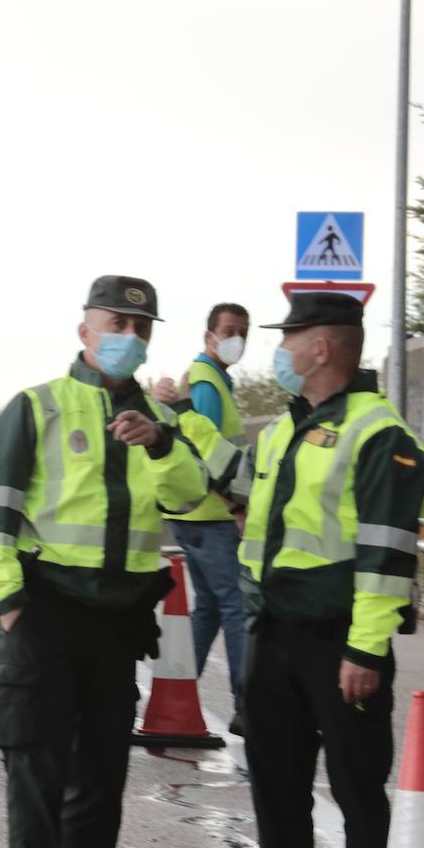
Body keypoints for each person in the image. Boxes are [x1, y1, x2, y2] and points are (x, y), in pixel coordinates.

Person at [0, 275, 211, 848]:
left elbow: (190, 495)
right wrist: (13, 603)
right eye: (116, 324)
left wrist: (159, 444)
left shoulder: (160, 420)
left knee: (100, 793)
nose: (129, 336)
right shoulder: (38, 406)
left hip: (117, 627)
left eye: (140, 328)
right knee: (36, 790)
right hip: (43, 617)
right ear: (85, 331)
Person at [240, 292, 424, 848]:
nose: (279, 350)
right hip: (273, 636)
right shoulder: (284, 428)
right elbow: (237, 491)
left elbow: (386, 554)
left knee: (357, 792)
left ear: (319, 349)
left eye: (287, 339)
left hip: (340, 644)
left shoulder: (379, 433)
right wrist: (167, 441)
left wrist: (366, 651)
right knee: (275, 795)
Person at [159, 302, 250, 734]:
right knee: (236, 606)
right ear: (208, 335)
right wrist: (236, 507)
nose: (237, 339)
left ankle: (176, 690)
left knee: (211, 607)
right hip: (212, 515)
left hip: (194, 514)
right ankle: (246, 705)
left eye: (243, 332)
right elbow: (205, 450)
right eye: (229, 330)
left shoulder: (211, 379)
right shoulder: (207, 383)